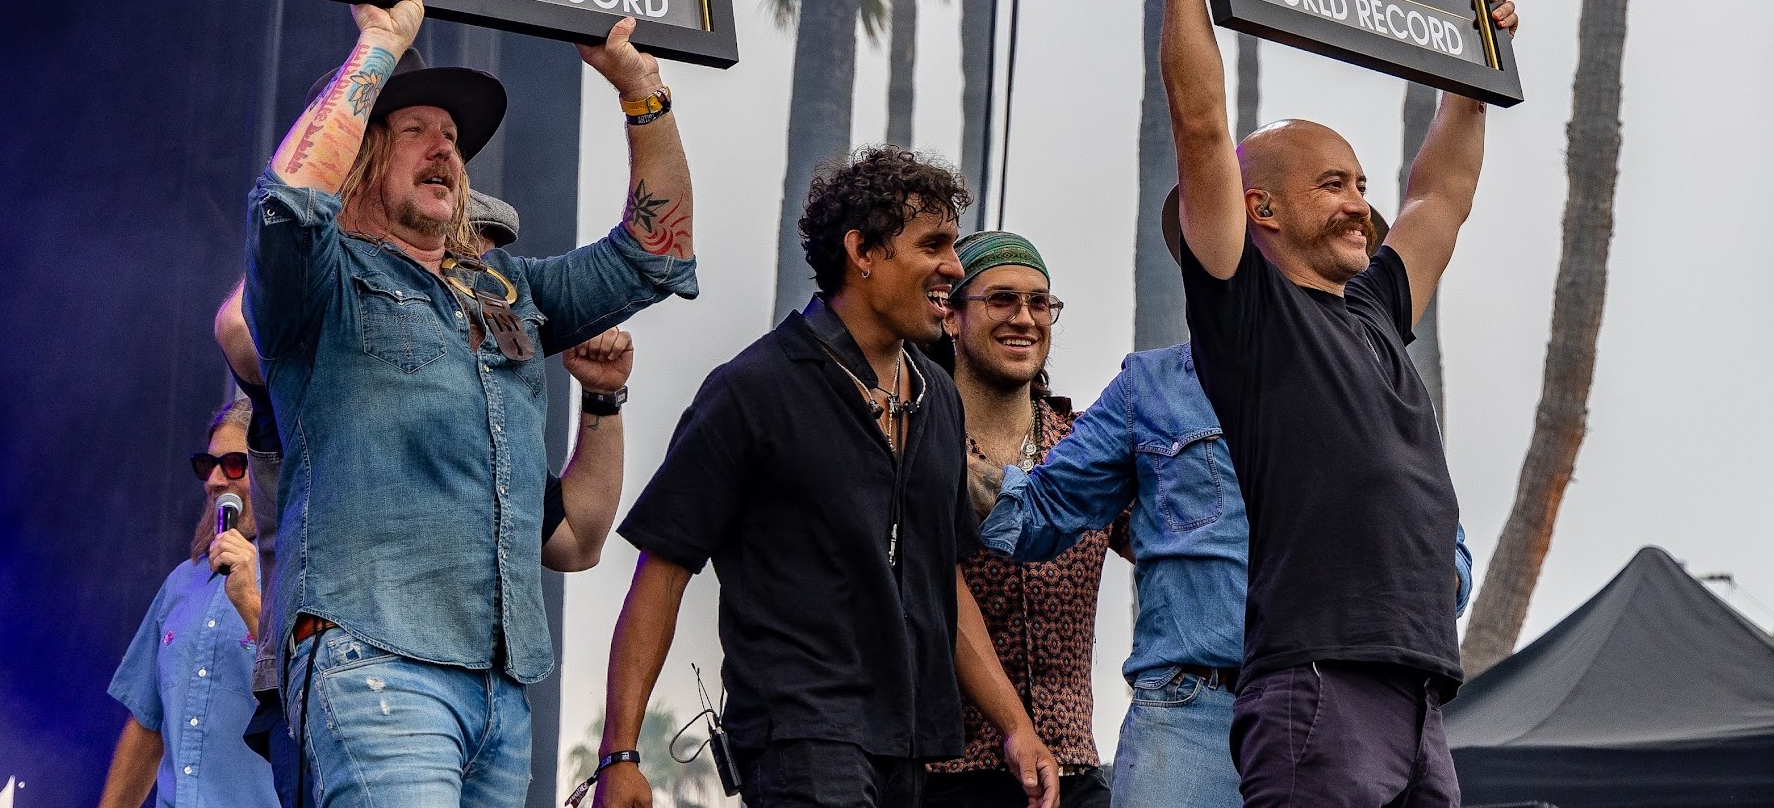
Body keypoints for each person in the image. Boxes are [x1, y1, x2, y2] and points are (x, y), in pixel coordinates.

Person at [243, 0, 696, 807]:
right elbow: (289, 204)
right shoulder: (324, 285)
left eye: (452, 136)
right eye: (414, 130)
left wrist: (642, 92)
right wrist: (378, 47)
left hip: (498, 684)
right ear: (366, 153)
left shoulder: (509, 291)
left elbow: (651, 255)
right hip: (371, 653)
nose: (444, 147)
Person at [1157, 0, 1518, 806]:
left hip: (1416, 689)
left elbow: (1438, 196)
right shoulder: (1249, 306)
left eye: (1360, 181)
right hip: (1316, 685)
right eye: (1331, 182)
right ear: (1259, 208)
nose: (1359, 202)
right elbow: (1200, 125)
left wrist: (1471, 61)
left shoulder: (1374, 307)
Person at [594, 147, 1060, 808]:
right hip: (799, 740)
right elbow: (661, 574)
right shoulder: (751, 390)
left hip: (906, 749)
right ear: (861, 251)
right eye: (933, 245)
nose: (953, 269)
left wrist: (1016, 727)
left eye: (952, 246)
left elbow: (943, 584)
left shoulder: (936, 394)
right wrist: (621, 754)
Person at [973, 334, 1474, 807]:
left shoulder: (1380, 382)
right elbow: (1038, 512)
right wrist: (924, 449)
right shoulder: (1153, 385)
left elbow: (1447, 563)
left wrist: (1399, 571)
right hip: (1191, 718)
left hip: (1345, 714)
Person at [926, 231, 1127, 808]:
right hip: (944, 773)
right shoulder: (912, 438)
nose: (1025, 318)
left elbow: (1172, 546)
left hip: (1072, 771)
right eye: (1001, 300)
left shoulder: (1089, 445)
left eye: (1040, 303)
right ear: (951, 317)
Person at [98, 397, 278, 808]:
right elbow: (148, 727)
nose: (215, 480)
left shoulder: (302, 577)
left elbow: (317, 708)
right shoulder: (181, 583)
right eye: (207, 465)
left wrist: (250, 599)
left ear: (270, 470)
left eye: (234, 465)